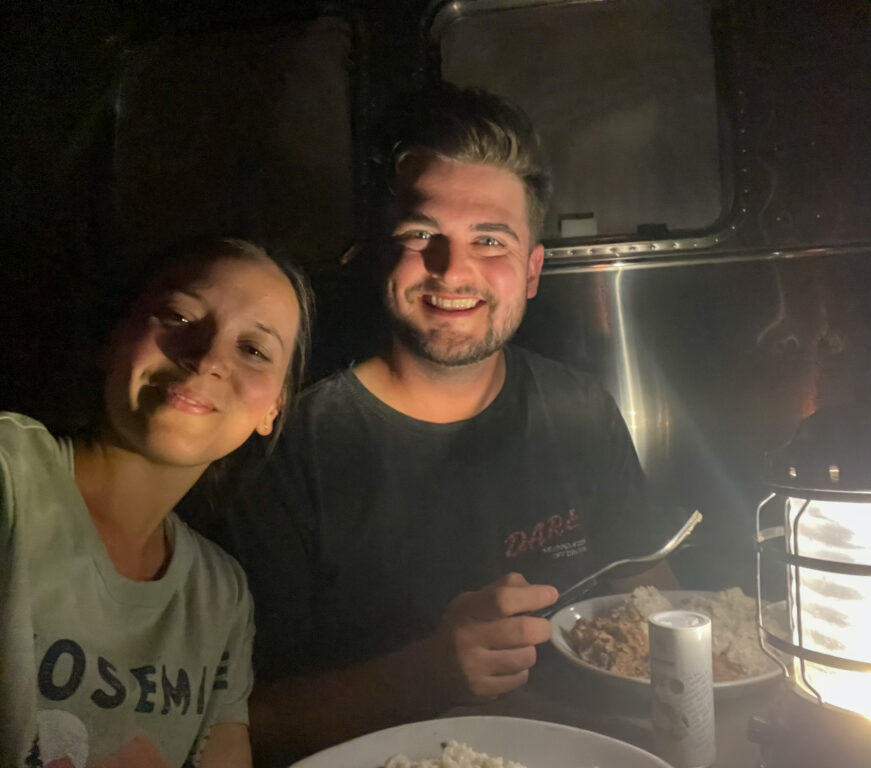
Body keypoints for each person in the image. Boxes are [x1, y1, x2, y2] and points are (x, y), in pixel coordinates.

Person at [188, 85, 677, 763]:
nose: (454, 270)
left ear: (532, 271)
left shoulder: (581, 410)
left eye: (491, 240)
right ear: (382, 254)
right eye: (422, 236)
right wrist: (426, 674)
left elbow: (648, 591)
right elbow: (246, 722)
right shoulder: (294, 445)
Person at [0, 237, 313, 768]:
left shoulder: (220, 597)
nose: (209, 358)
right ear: (114, 339)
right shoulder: (12, 479)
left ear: (273, 410)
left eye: (254, 350)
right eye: (179, 317)